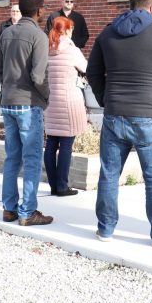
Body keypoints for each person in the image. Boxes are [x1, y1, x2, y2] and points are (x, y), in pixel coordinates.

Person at [87, 0, 152, 246]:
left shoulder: (107, 33)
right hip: (149, 114)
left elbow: (93, 72)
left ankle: (105, 229)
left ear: (131, 7)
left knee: (109, 174)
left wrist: (106, 100)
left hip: (115, 113)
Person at [0, 0, 53, 227]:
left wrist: (8, 88)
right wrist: (46, 96)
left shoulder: (7, 33)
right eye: (43, 8)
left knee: (12, 158)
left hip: (8, 100)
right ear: (38, 10)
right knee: (31, 159)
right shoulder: (39, 36)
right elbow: (39, 76)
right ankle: (27, 211)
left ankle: (9, 209)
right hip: (29, 103)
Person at [43, 15, 88, 198]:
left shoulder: (47, 49)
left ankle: (53, 186)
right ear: (68, 30)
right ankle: (62, 186)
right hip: (69, 101)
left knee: (51, 144)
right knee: (66, 145)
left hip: (51, 102)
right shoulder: (72, 49)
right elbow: (86, 68)